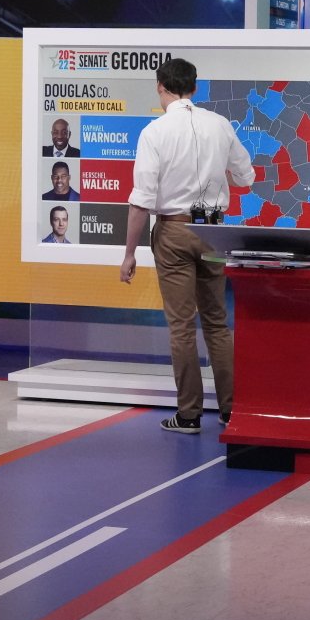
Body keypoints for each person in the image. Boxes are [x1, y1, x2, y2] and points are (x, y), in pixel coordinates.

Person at [119, 59, 255, 434]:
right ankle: (231, 411)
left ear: (160, 86)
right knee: (217, 323)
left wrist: (129, 254)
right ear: (194, 88)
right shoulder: (220, 124)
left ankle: (189, 414)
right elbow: (245, 177)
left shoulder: (154, 132)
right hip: (214, 232)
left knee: (181, 326)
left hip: (174, 232)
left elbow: (141, 201)